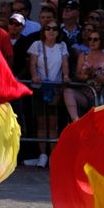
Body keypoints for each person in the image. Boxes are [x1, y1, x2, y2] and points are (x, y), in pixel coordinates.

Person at [22, 22, 69, 167]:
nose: (51, 31)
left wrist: (66, 76)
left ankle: (53, 155)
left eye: (55, 28)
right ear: (43, 31)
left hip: (55, 87)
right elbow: (32, 63)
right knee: (41, 122)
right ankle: (42, 154)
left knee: (53, 123)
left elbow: (65, 63)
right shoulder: (37, 45)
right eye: (48, 28)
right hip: (40, 87)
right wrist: (34, 75)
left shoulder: (62, 46)